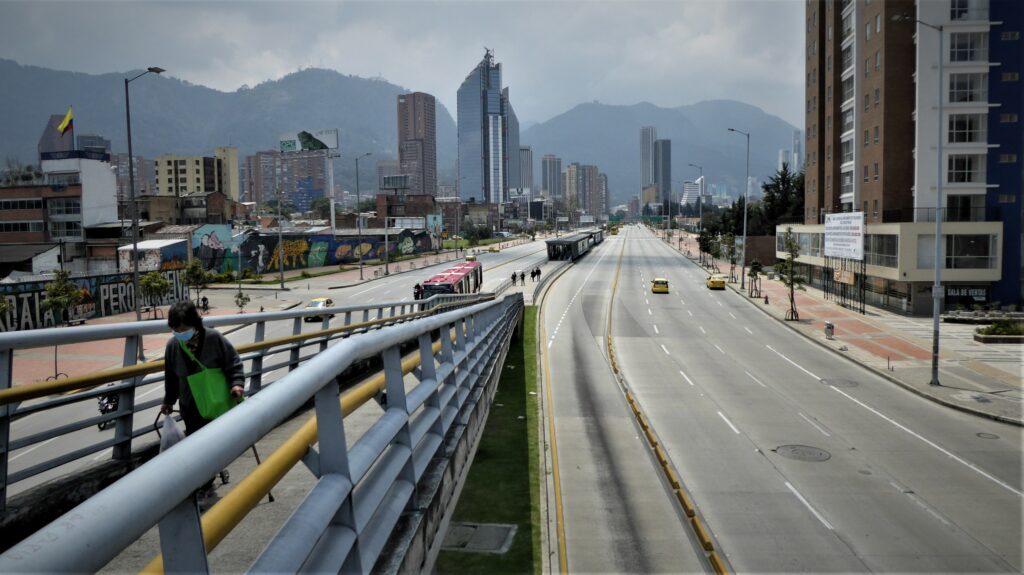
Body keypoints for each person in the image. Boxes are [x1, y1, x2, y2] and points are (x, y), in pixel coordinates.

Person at [161, 301, 244, 501]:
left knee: (213, 444)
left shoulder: (214, 339)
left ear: (195, 324)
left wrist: (236, 384)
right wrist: (168, 401)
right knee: (198, 446)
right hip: (190, 406)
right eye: (176, 329)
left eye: (184, 329)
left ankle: (208, 479)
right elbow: (171, 377)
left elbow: (233, 362)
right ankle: (205, 483)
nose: (181, 333)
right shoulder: (173, 346)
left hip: (217, 403)